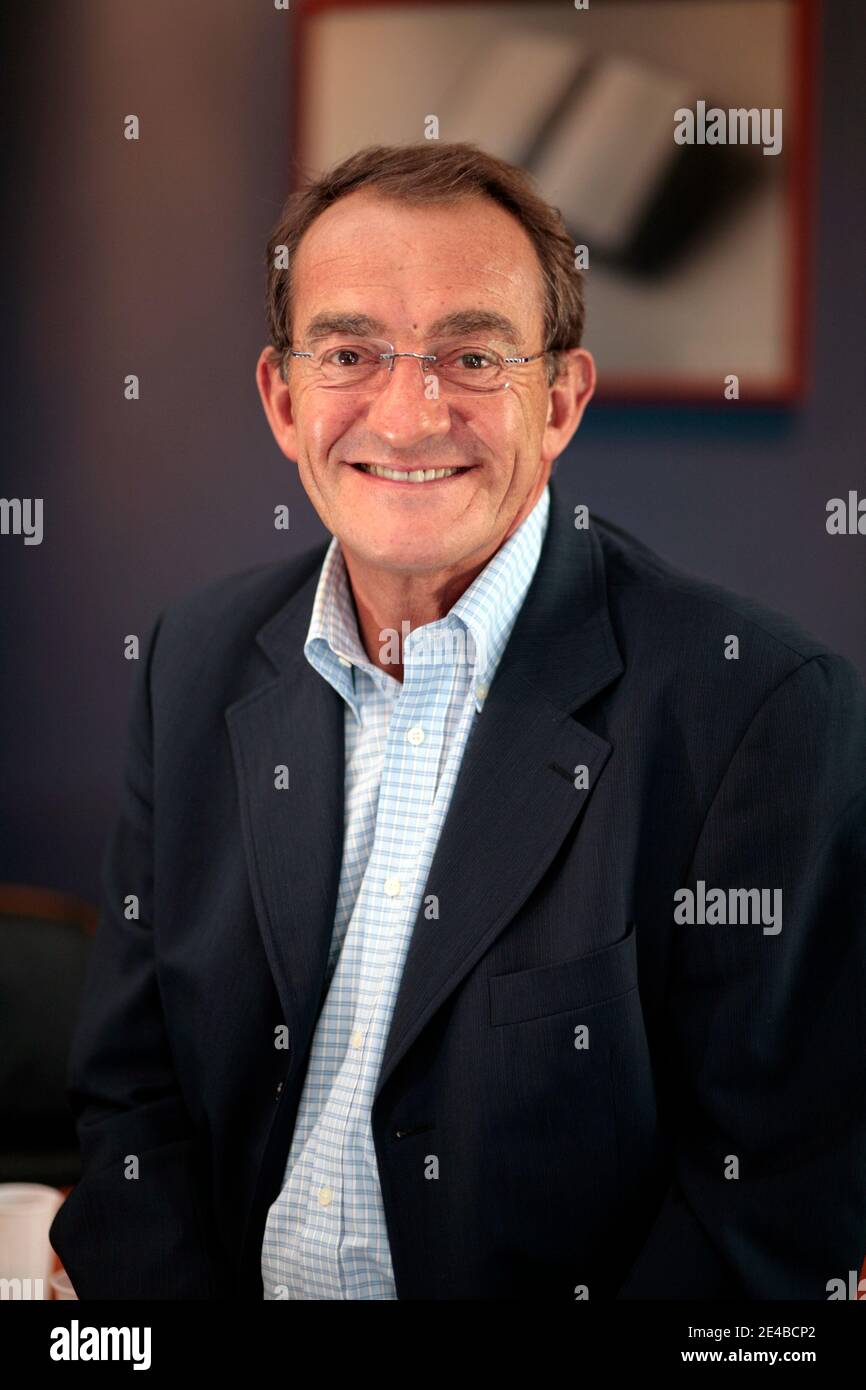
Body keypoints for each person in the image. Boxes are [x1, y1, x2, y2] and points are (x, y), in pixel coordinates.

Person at [50, 142, 866, 1300]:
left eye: (471, 354)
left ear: (561, 402)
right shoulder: (189, 662)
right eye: (348, 352)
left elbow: (764, 1214)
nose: (409, 409)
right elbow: (134, 1096)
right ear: (284, 401)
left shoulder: (760, 712)